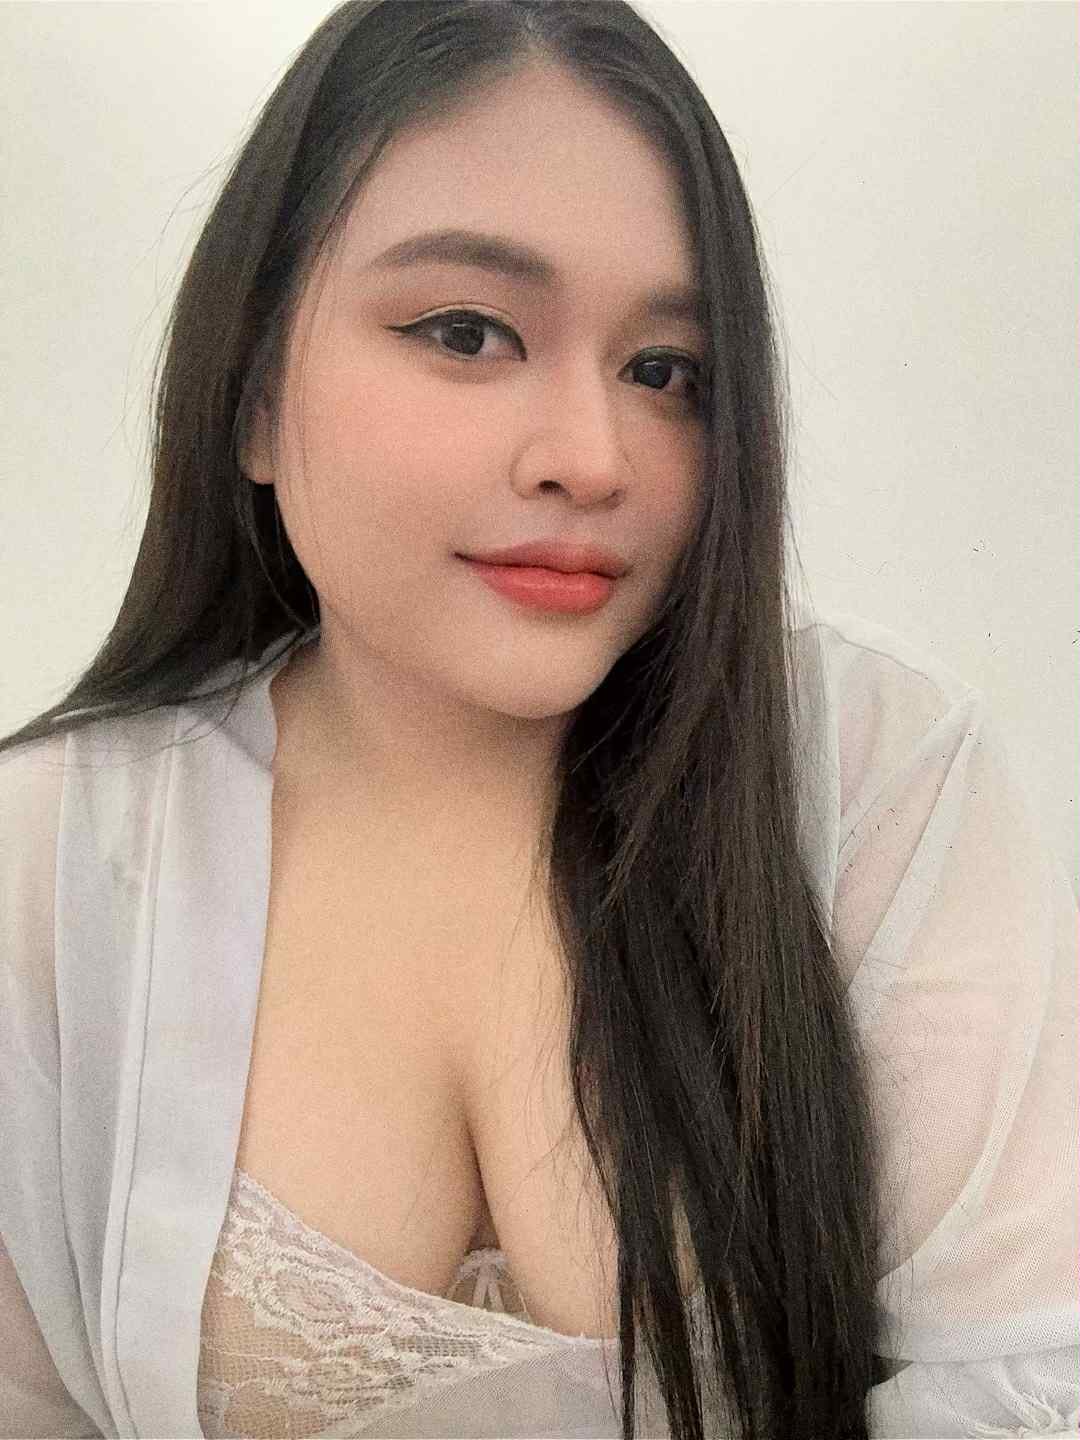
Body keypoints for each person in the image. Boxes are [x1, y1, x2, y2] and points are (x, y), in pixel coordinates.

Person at [1, 3, 1076, 1437]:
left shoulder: (873, 772)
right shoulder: (55, 856)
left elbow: (1030, 1374)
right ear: (253, 396)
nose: (592, 456)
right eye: (467, 332)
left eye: (665, 371)